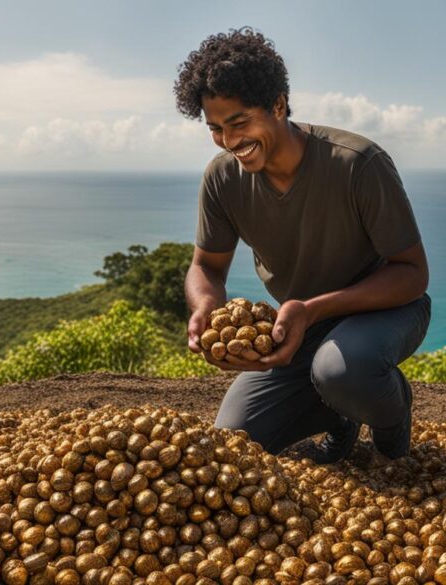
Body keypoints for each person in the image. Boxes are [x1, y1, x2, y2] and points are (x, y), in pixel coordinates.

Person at [176, 27, 432, 463]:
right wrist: (205, 308)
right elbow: (207, 268)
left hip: (384, 311)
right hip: (301, 326)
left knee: (341, 371)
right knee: (235, 442)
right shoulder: (222, 178)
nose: (229, 141)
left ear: (278, 104)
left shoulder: (357, 164)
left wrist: (313, 309)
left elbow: (412, 274)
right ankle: (341, 415)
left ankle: (391, 416)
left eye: (239, 122)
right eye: (216, 129)